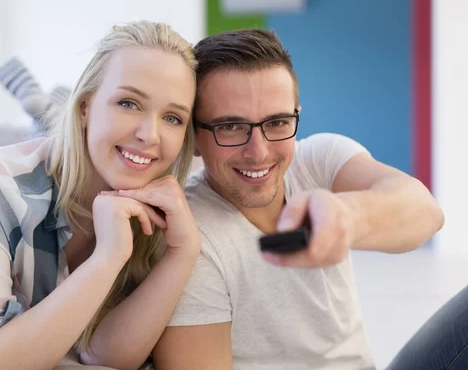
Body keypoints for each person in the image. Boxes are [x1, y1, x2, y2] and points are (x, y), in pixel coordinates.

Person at [0, 20, 202, 370]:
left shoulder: (169, 211)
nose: (150, 135)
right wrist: (107, 257)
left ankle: (47, 111)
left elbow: (106, 356)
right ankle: (48, 112)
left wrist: (182, 254)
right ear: (86, 106)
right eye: (128, 103)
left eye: (173, 118)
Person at [151, 29, 446, 369]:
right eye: (230, 126)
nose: (258, 152)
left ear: (296, 115)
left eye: (276, 122)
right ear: (195, 137)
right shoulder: (188, 232)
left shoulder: (318, 160)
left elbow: (427, 213)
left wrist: (348, 217)